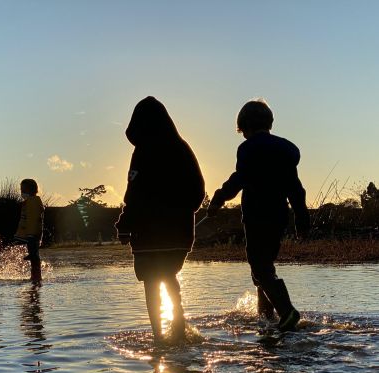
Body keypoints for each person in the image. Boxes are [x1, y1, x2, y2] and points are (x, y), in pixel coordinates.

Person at [207, 99, 310, 331]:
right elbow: (296, 188)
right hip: (279, 217)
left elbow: (239, 178)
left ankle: (286, 312)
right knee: (265, 267)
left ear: (245, 126)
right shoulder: (285, 151)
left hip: (255, 217)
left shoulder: (248, 148)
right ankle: (266, 318)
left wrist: (218, 199)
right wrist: (302, 219)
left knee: (259, 267)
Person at [116, 96, 205, 343]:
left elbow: (133, 194)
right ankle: (179, 326)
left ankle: (158, 336)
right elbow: (199, 190)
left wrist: (125, 225)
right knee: (169, 276)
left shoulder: (142, 151)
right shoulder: (182, 147)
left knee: (151, 283)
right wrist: (184, 212)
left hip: (147, 235)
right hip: (179, 234)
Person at [14, 178, 44, 283]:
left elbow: (33, 219)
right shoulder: (30, 201)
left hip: (33, 233)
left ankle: (36, 277)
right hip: (31, 233)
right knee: (33, 255)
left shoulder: (33, 202)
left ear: (32, 190)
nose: (21, 192)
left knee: (34, 255)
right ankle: (35, 276)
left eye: (23, 189)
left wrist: (30, 235)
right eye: (21, 189)